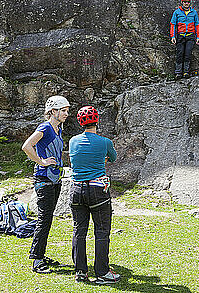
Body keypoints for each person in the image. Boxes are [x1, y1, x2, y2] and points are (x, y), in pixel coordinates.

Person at [68, 106, 119, 284]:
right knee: (102, 231)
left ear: (80, 122)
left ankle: (81, 272)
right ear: (97, 121)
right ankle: (102, 273)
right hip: (97, 191)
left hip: (76, 190)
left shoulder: (73, 141)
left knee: (79, 230)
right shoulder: (105, 142)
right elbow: (113, 158)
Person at [21, 95, 70, 274]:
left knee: (47, 220)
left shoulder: (58, 129)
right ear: (53, 111)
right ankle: (37, 260)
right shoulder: (45, 127)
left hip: (54, 179)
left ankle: (40, 254)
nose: (66, 113)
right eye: (63, 110)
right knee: (44, 219)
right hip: (44, 179)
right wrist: (42, 162)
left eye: (67, 110)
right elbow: (27, 146)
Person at [170, 0, 199, 79]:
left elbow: (197, 25)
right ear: (182, 2)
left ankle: (186, 72)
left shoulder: (194, 12)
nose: (186, 3)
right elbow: (173, 24)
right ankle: (178, 72)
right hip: (180, 36)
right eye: (184, 2)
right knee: (180, 53)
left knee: (188, 53)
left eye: (187, 2)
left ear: (189, 2)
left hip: (190, 36)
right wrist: (173, 36)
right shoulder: (177, 12)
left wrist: (198, 37)